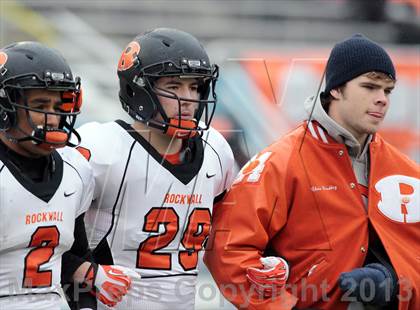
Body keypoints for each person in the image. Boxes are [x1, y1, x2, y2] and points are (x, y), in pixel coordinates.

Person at [204, 34, 419, 309]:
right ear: (336, 89)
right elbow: (227, 249)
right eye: (369, 87)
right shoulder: (280, 162)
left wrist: (394, 281)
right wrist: (281, 306)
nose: (382, 100)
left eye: (387, 90)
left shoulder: (407, 172)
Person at [77, 28, 235, 309]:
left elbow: (228, 239)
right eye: (174, 86)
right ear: (138, 89)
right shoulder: (101, 148)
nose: (188, 99)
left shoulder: (215, 149)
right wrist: (87, 273)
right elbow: (45, 240)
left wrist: (263, 261)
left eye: (195, 86)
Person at [0, 41, 136, 310]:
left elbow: (74, 255)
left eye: (58, 106)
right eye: (40, 104)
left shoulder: (75, 170)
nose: (52, 118)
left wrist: (90, 283)